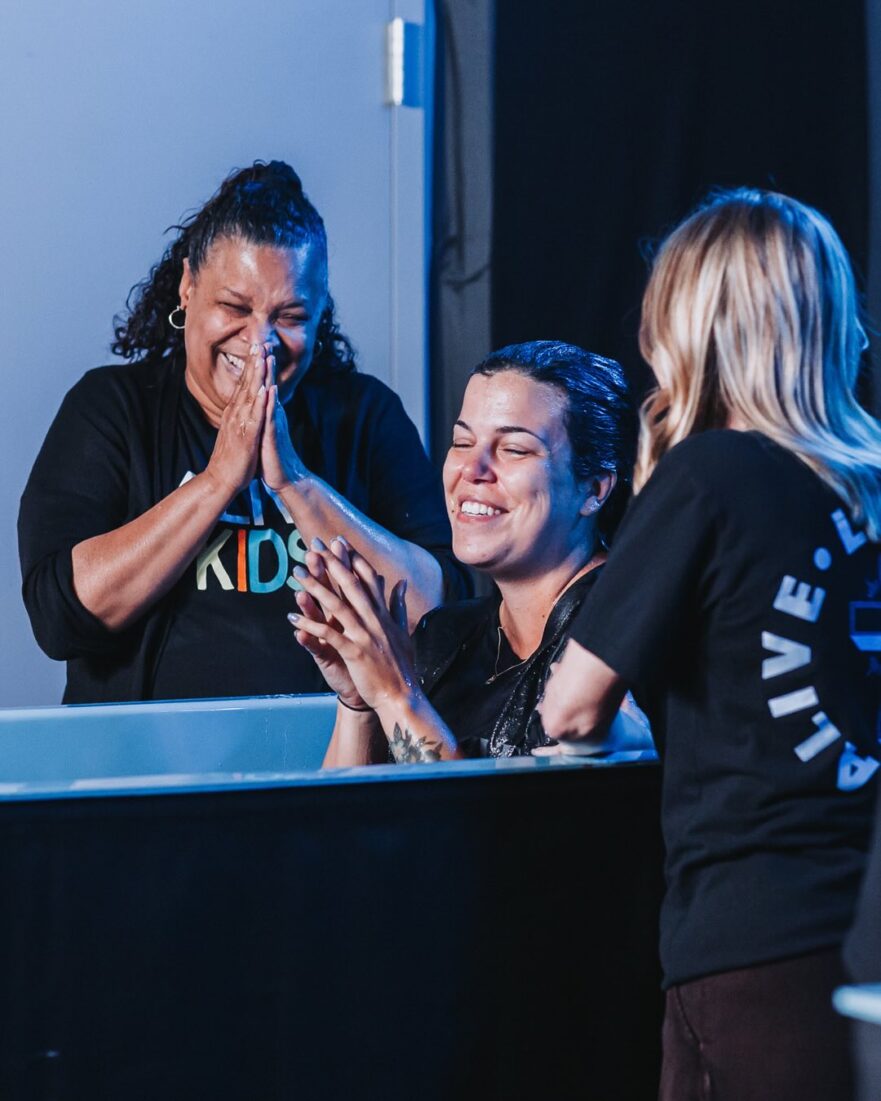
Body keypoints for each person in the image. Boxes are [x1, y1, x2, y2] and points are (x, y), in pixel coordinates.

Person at [539, 189, 881, 1100]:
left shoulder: (709, 474)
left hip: (752, 940)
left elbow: (569, 707)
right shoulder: (870, 484)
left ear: (693, 327)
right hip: (862, 929)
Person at [18, 160, 466, 703]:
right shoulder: (111, 408)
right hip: (141, 753)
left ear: (319, 313)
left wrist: (296, 484)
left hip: (331, 751)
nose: (260, 342)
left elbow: (438, 619)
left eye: (291, 316)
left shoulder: (364, 414)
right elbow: (61, 618)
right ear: (188, 287)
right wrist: (217, 481)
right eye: (235, 307)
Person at [288, 340, 650, 763]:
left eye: (514, 449)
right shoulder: (444, 637)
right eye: (462, 442)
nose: (472, 470)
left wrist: (394, 693)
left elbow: (484, 811)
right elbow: (344, 806)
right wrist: (360, 701)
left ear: (594, 489)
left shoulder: (626, 633)